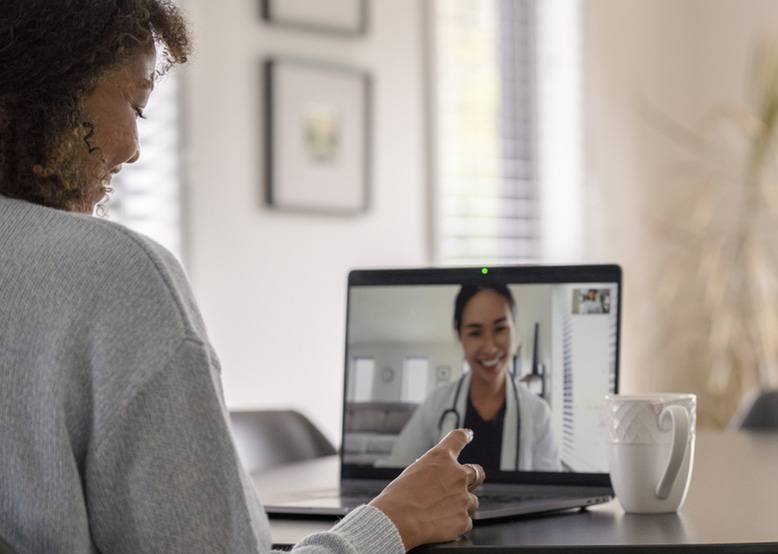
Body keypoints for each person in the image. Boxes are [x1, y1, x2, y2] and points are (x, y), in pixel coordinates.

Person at [0, 1, 483, 552]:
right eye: (136, 106)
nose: (133, 150)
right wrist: (391, 523)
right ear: (53, 92)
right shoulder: (116, 275)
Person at [384, 283, 561, 472]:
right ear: (460, 337)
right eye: (475, 333)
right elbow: (396, 473)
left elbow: (551, 489)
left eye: (500, 329)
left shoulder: (538, 413)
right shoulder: (436, 404)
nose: (490, 347)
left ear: (514, 330)